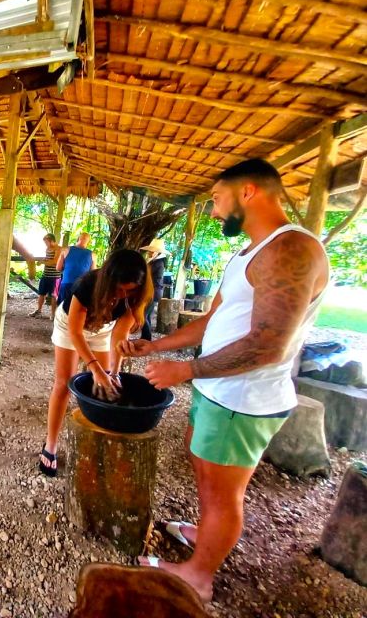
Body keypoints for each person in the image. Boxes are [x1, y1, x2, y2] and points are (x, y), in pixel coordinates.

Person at [118, 159, 329, 603]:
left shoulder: (291, 250)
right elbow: (214, 320)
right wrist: (155, 348)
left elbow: (269, 345)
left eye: (216, 198)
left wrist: (187, 369)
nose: (213, 211)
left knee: (222, 493)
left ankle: (197, 575)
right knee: (206, 473)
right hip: (219, 390)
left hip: (243, 398)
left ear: (248, 191)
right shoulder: (249, 251)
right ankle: (204, 535)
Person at [38, 249, 154, 477]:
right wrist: (94, 367)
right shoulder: (87, 284)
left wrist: (114, 372)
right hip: (69, 325)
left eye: (129, 290)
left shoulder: (137, 295)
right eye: (119, 288)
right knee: (64, 384)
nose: (123, 295)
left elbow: (119, 338)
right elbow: (75, 332)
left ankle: (100, 446)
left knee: (106, 384)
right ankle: (50, 445)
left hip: (103, 329)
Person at [140, 238, 169, 341]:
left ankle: (147, 338)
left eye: (151, 251)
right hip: (153, 291)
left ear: (157, 252)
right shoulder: (154, 262)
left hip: (153, 292)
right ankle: (145, 337)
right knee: (147, 315)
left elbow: (147, 276)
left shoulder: (158, 263)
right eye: (149, 251)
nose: (149, 252)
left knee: (143, 315)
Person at [29, 233, 63, 319]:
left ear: (52, 241)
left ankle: (53, 314)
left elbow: (55, 262)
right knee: (41, 294)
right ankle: (38, 310)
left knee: (54, 296)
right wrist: (43, 260)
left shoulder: (59, 249)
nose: (45, 244)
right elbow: (48, 258)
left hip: (55, 277)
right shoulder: (48, 249)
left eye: (46, 242)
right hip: (46, 275)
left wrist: (42, 262)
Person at [56, 232, 96, 305]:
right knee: (77, 309)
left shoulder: (66, 250)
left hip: (67, 283)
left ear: (78, 238)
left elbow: (58, 268)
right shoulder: (92, 254)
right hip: (82, 285)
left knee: (62, 309)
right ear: (89, 242)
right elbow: (93, 272)